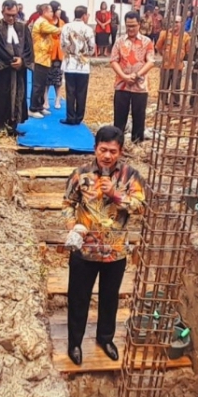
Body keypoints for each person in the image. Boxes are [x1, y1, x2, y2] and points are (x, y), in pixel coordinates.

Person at [62, 125, 146, 366]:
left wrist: (116, 195)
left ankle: (105, 339)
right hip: (84, 250)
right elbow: (68, 202)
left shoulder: (131, 176)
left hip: (115, 251)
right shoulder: (80, 174)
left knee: (110, 298)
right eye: (103, 149)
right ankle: (74, 343)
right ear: (95, 148)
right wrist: (71, 226)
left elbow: (141, 207)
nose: (107, 155)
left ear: (120, 151)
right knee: (78, 298)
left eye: (113, 151)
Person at [0, 0, 34, 134]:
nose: (11, 18)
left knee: (18, 96)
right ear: (2, 12)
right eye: (8, 15)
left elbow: (29, 48)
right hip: (2, 71)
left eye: (14, 15)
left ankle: (13, 125)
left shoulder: (23, 28)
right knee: (1, 96)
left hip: (19, 72)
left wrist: (22, 61)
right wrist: (11, 61)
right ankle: (0, 125)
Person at [111, 11, 155, 143]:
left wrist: (137, 75)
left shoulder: (147, 42)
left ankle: (137, 142)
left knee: (139, 115)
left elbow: (151, 61)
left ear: (139, 25)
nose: (130, 29)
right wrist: (124, 76)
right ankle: (117, 142)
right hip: (121, 85)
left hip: (140, 85)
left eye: (133, 26)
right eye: (128, 26)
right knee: (119, 116)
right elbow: (113, 60)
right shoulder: (119, 41)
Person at [60, 5, 95, 125]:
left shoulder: (66, 27)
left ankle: (70, 116)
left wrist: (69, 53)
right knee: (81, 91)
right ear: (84, 15)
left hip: (70, 62)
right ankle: (79, 117)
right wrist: (86, 54)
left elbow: (63, 44)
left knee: (70, 91)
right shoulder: (88, 29)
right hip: (83, 64)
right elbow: (92, 47)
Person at [30, 3, 62, 118]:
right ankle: (33, 108)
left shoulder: (45, 21)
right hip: (40, 57)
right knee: (38, 85)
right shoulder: (42, 22)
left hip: (45, 58)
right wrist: (65, 28)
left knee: (43, 84)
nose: (52, 14)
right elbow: (56, 30)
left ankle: (39, 107)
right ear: (44, 12)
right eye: (50, 12)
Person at [156, 15, 191, 107]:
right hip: (166, 65)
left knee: (176, 85)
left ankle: (176, 102)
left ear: (181, 23)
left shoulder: (185, 36)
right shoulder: (164, 33)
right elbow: (158, 46)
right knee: (164, 84)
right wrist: (164, 55)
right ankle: (164, 102)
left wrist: (181, 56)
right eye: (173, 22)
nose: (174, 24)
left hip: (177, 65)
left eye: (177, 22)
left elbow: (188, 50)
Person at [44, 0, 65, 110]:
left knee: (58, 79)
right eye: (58, 9)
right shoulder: (47, 23)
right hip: (49, 53)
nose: (60, 11)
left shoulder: (62, 23)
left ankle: (58, 98)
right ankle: (46, 99)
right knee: (47, 79)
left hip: (59, 54)